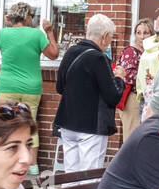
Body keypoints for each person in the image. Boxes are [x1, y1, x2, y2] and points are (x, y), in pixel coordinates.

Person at [53, 14, 123, 172]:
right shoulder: (98, 58)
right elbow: (113, 96)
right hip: (92, 126)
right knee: (89, 176)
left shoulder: (71, 52)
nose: (110, 42)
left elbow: (59, 87)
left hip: (68, 122)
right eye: (111, 37)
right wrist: (120, 79)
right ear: (104, 36)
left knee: (70, 173)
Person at [0, 1, 58, 150]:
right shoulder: (36, 34)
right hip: (31, 88)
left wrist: (9, 24)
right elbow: (54, 54)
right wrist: (49, 31)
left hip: (7, 86)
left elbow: (8, 45)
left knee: (6, 125)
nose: (33, 19)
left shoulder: (3, 33)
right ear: (26, 17)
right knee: (30, 125)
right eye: (32, 16)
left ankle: (8, 159)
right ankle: (33, 165)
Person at [115, 18, 155, 139]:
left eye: (146, 32)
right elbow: (126, 75)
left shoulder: (148, 52)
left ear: (152, 35)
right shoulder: (131, 51)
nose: (142, 36)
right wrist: (146, 78)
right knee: (131, 135)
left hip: (142, 97)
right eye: (139, 33)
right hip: (132, 98)